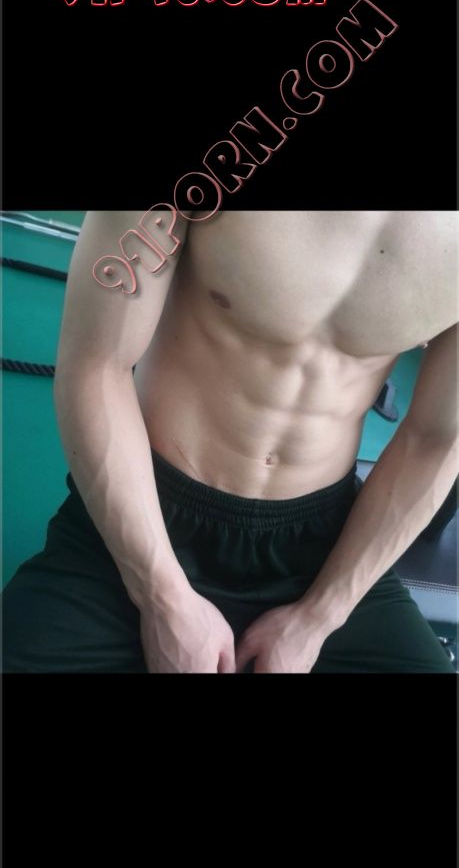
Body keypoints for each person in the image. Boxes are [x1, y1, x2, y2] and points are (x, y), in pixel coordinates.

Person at [2, 209, 457, 673]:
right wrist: (161, 596)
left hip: (322, 550)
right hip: (146, 516)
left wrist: (320, 617)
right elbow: (97, 367)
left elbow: (436, 440)